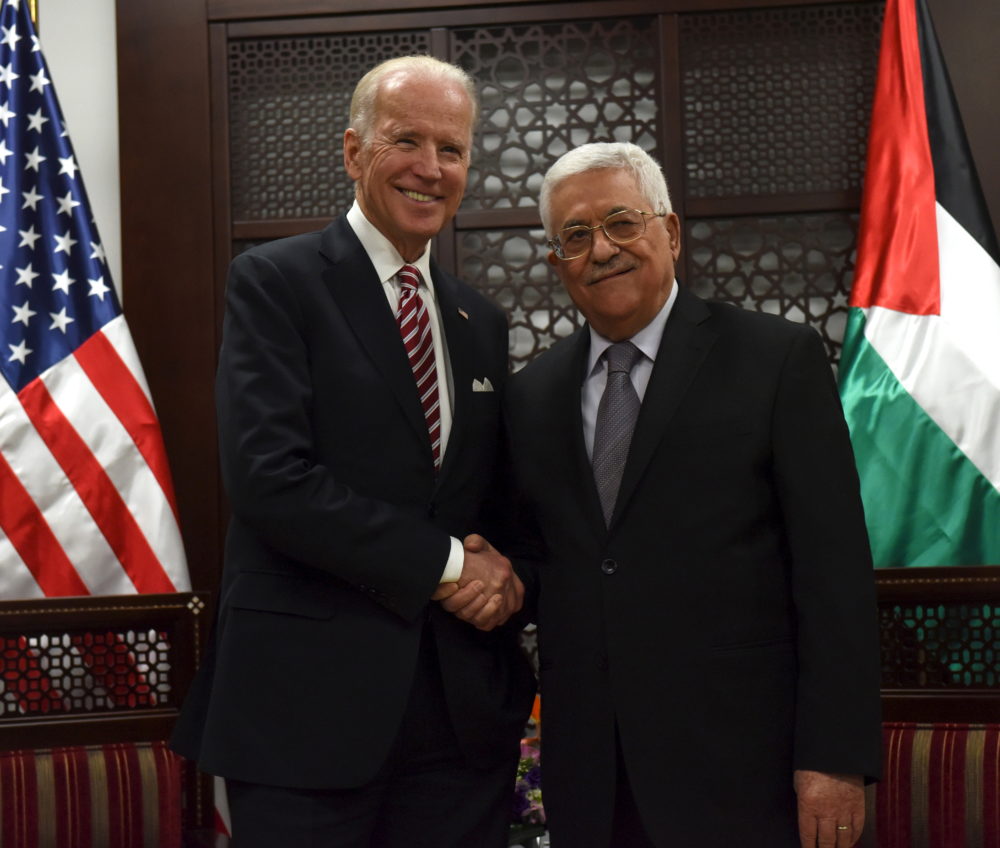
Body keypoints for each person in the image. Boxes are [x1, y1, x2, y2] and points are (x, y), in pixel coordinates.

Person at [171, 55, 535, 848]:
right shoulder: (275, 282)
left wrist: (507, 582)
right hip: (306, 716)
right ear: (352, 151)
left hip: (458, 723)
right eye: (407, 140)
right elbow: (271, 482)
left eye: (454, 149)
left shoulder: (482, 321)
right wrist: (448, 567)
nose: (431, 169)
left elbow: (493, 503)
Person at [481, 142, 882, 847]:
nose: (601, 249)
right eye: (575, 236)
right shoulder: (531, 396)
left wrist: (834, 760)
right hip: (592, 778)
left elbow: (834, 574)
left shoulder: (775, 360)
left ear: (668, 232)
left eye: (621, 223)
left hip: (745, 772)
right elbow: (547, 560)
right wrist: (494, 578)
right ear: (556, 264)